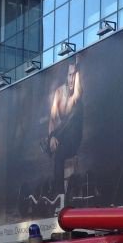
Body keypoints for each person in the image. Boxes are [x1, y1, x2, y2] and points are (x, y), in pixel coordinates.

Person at [45, 59, 84, 199]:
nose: (72, 78)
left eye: (74, 74)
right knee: (57, 150)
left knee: (75, 112)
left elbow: (77, 93)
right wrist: (51, 137)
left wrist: (77, 68)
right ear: (65, 76)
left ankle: (60, 194)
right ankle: (58, 193)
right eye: (69, 75)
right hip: (61, 137)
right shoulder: (59, 92)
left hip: (73, 136)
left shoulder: (76, 93)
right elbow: (53, 119)